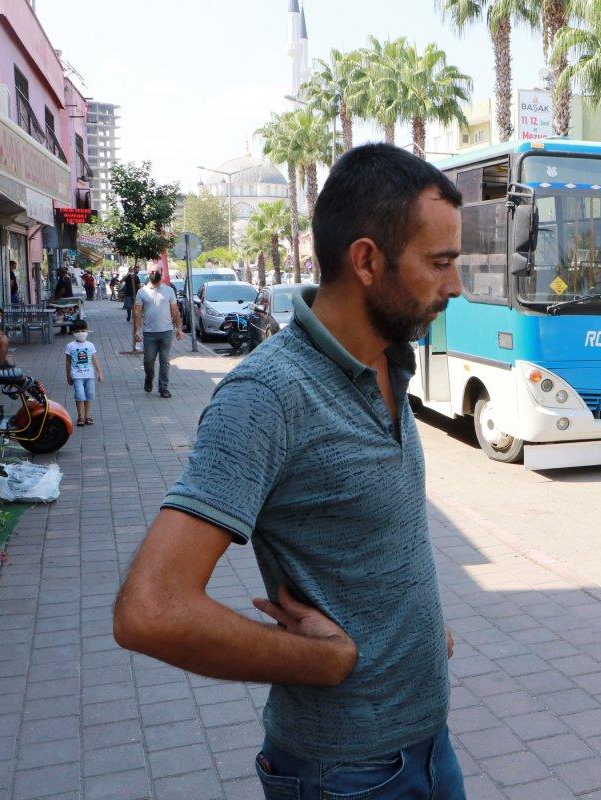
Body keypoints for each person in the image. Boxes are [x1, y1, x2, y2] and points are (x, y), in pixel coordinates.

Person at [113, 144, 467, 800]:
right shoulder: (268, 395)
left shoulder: (391, 360)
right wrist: (321, 660)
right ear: (367, 261)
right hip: (346, 774)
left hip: (429, 745)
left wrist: (414, 629)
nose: (456, 286)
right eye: (440, 263)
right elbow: (151, 610)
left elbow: (364, 539)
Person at [133, 268, 182, 398]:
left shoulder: (169, 290)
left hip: (166, 332)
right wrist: (137, 331)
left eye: (157, 272)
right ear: (148, 274)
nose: (155, 274)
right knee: (148, 361)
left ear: (161, 274)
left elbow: (175, 311)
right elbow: (137, 312)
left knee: (165, 361)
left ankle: (163, 388)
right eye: (152, 272)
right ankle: (149, 378)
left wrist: (179, 328)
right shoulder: (141, 292)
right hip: (149, 333)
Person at [64, 318, 102, 425]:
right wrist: (68, 376)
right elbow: (67, 362)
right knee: (79, 395)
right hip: (76, 376)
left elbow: (94, 359)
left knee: (89, 395)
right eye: (77, 331)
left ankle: (87, 415)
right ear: (73, 332)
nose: (81, 333)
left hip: (89, 375)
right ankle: (80, 416)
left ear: (87, 330)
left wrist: (100, 373)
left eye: (83, 330)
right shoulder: (70, 346)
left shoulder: (90, 345)